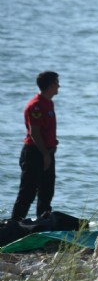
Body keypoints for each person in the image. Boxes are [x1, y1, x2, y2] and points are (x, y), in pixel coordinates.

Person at [11, 71, 60, 221]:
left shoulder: (48, 102)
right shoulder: (36, 105)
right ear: (51, 85)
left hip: (47, 152)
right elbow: (35, 133)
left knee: (47, 191)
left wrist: (50, 150)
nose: (59, 86)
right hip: (35, 153)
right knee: (28, 191)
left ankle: (42, 222)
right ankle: (14, 224)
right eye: (57, 83)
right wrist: (45, 154)